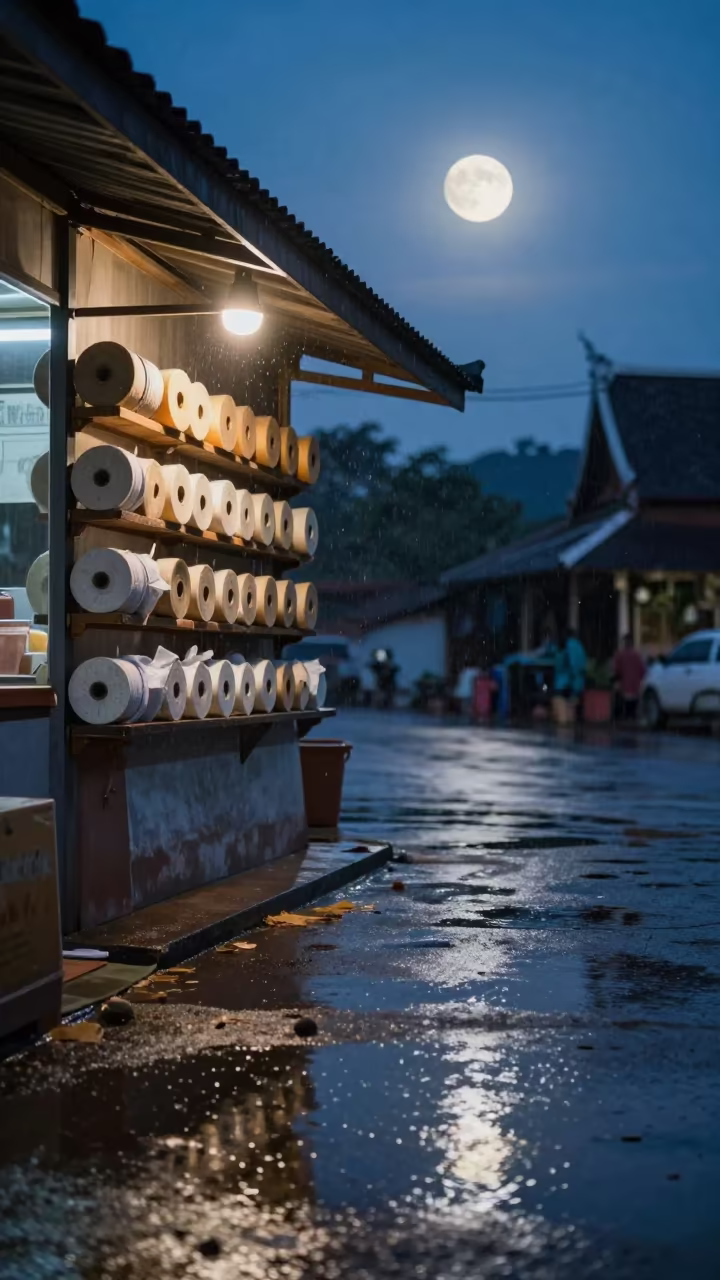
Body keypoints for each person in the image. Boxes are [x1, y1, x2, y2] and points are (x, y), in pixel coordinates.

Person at [553, 628, 587, 722]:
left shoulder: (567, 646)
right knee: (571, 712)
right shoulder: (579, 646)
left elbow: (571, 664)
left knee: (562, 716)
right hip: (577, 684)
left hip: (565, 683)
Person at [613, 633, 646, 719]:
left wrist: (617, 681)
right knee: (633, 703)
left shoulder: (620, 655)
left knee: (624, 702)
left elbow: (616, 670)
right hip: (635, 685)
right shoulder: (637, 655)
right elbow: (642, 670)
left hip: (624, 685)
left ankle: (625, 716)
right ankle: (632, 716)